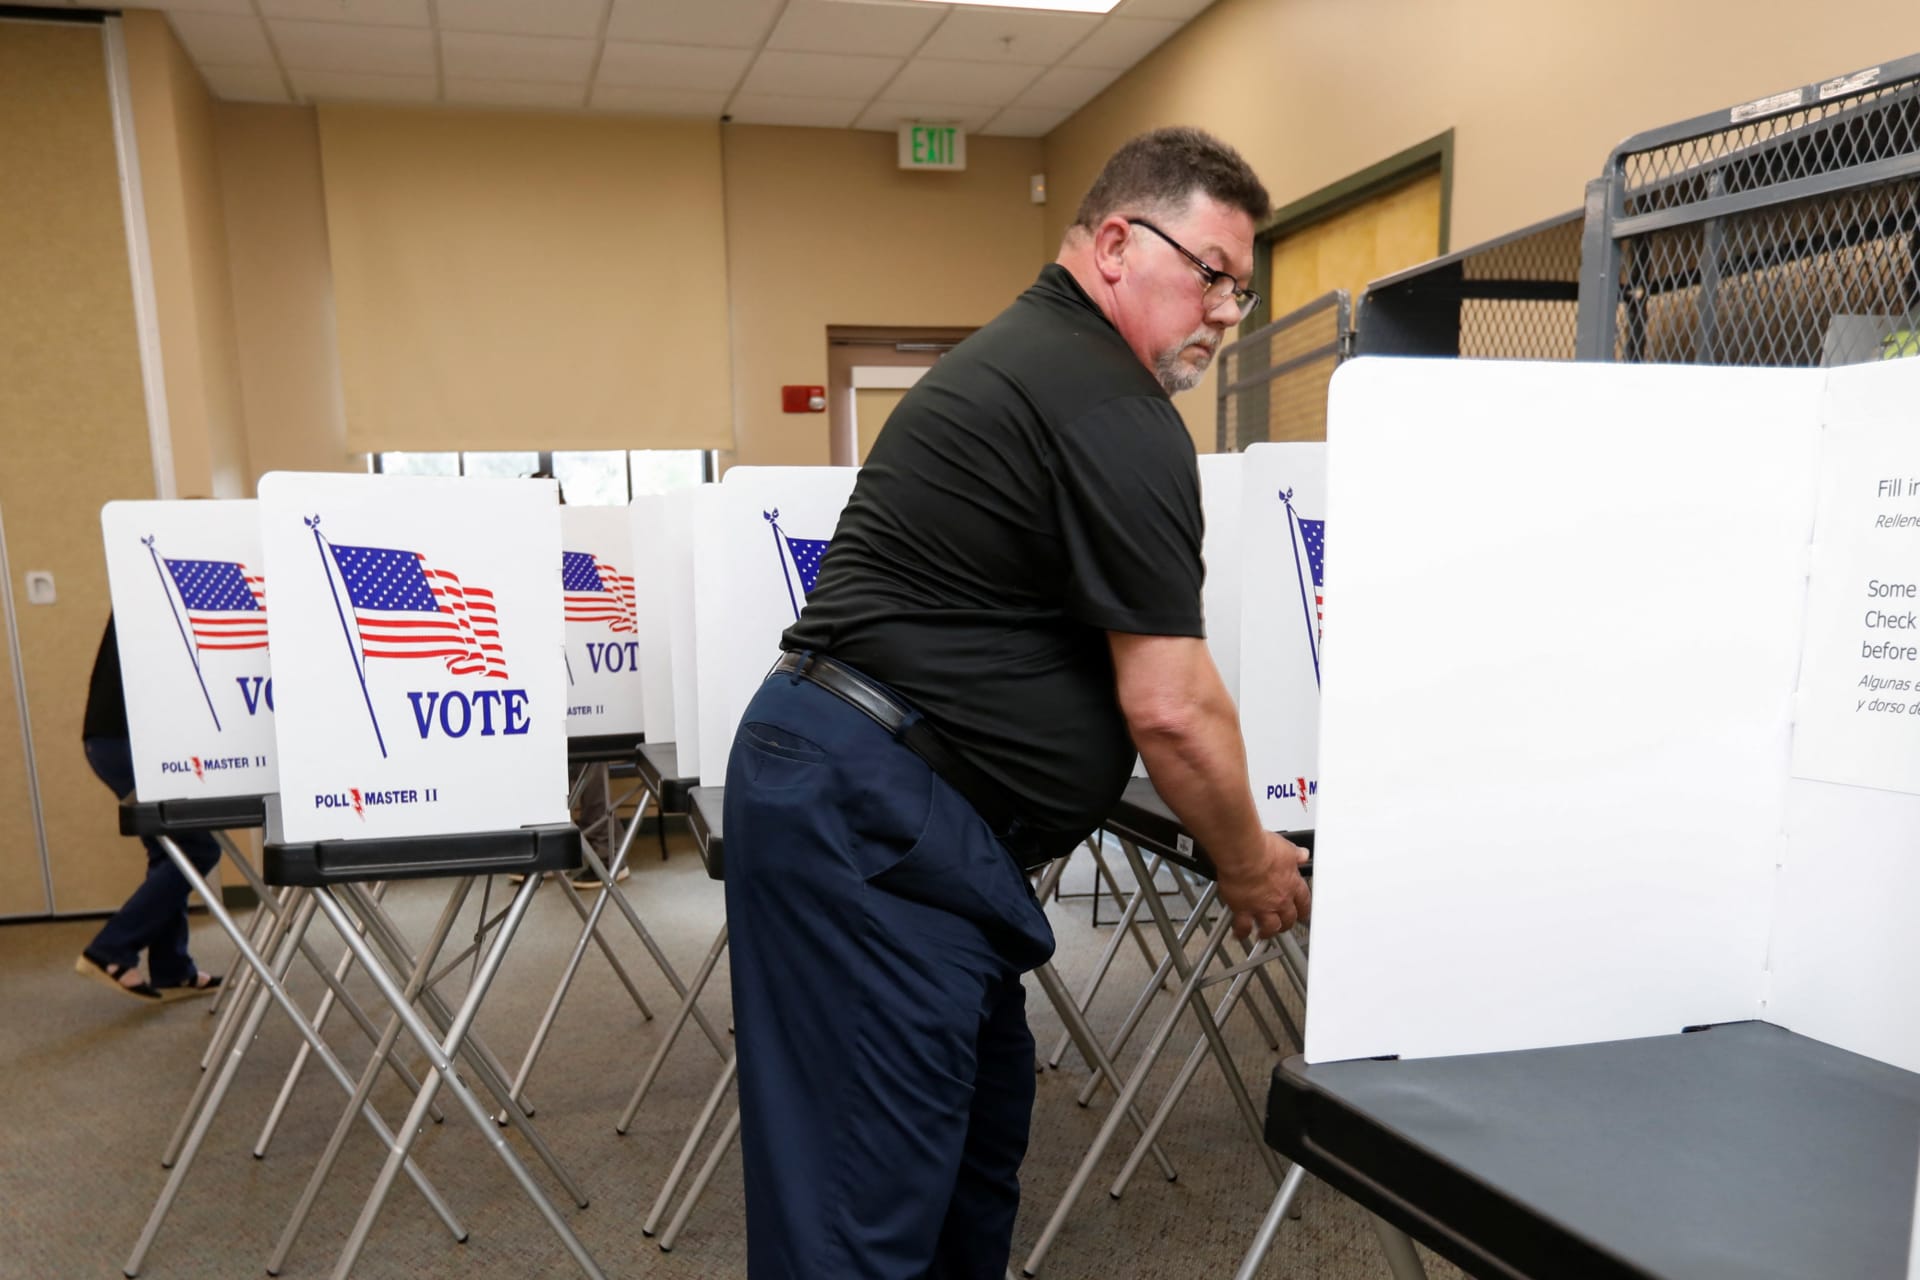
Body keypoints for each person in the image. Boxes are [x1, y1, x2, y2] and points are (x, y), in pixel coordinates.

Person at [721, 126, 1313, 1279]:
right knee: (861, 1206)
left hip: (905, 816)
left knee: (963, 1165)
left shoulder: (1052, 369)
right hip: (876, 814)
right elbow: (1173, 703)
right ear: (1111, 245)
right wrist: (1247, 861)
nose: (1226, 312)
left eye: (1241, 289)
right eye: (1210, 273)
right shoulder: (1105, 401)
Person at [74, 614, 224, 1001]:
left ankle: (171, 968)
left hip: (117, 740)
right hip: (126, 742)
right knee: (196, 849)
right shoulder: (147, 580)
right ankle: (110, 950)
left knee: (169, 851)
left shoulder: (144, 577)